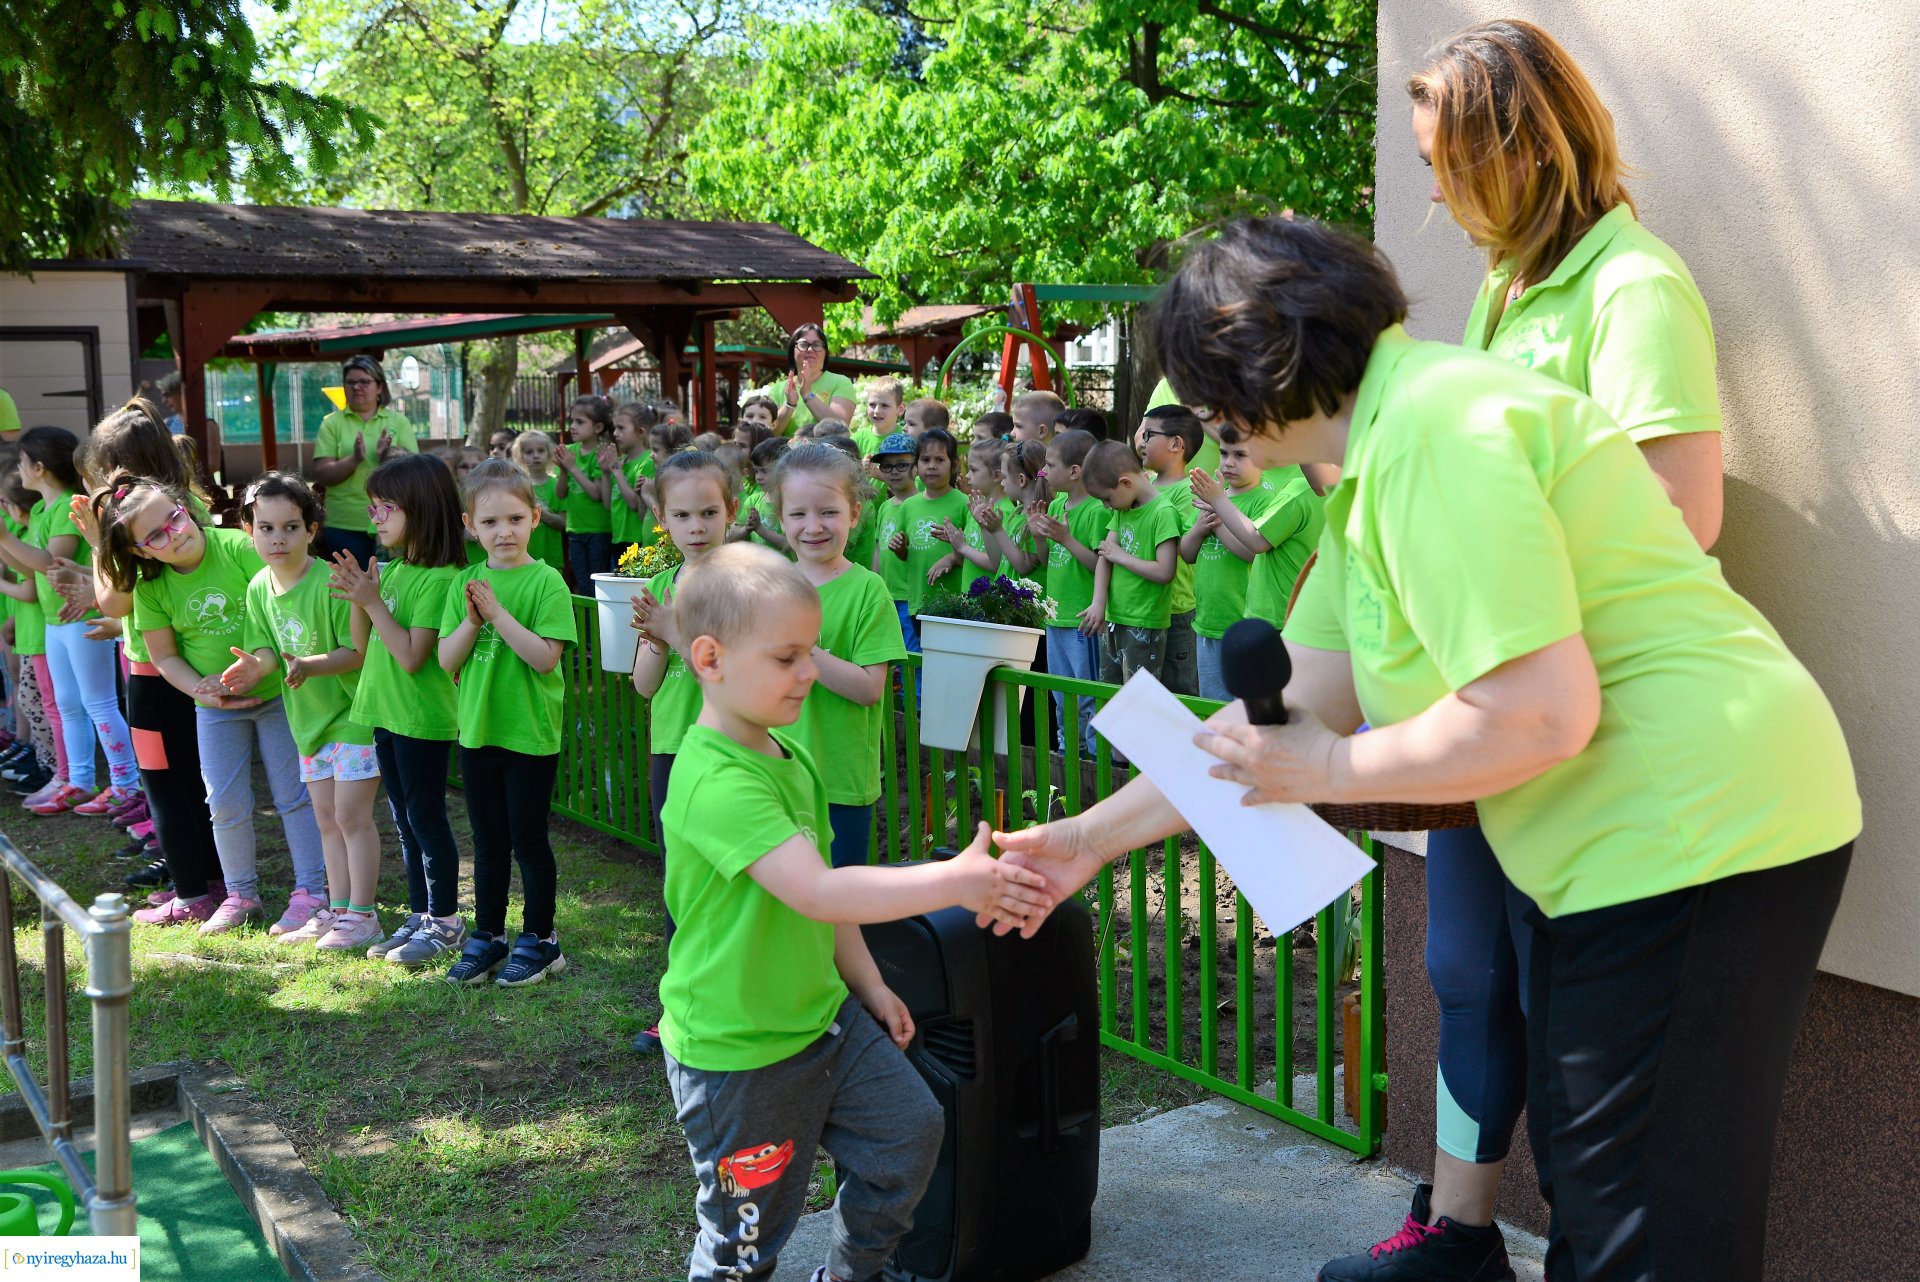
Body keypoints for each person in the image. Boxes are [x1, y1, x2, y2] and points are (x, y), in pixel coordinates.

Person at [999, 216, 1858, 1282]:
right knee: (1601, 1197)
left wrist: (1330, 771)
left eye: (1208, 386)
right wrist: (1087, 838)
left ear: (1270, 353)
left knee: (1645, 1226)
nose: (1198, 417)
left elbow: (1538, 711)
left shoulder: (1434, 434)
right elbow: (1276, 718)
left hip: (1697, 829)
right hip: (1628, 847)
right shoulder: (1380, 461)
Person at [1314, 22, 1738, 1282]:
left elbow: (1685, 512)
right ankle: (1457, 1231)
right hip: (1482, 720)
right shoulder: (1504, 294)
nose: (1435, 196)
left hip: (1574, 729)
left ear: (1520, 148)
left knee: (1555, 1002)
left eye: (1449, 164)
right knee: (1461, 968)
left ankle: (1563, 1244)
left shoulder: (1633, 285)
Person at [656, 541, 1046, 1282]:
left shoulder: (788, 757)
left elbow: (827, 895)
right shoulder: (713, 781)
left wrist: (868, 986)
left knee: (909, 1134)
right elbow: (818, 892)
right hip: (739, 1058)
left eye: (813, 651)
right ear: (709, 659)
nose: (809, 672)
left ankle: (850, 1274)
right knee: (744, 1246)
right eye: (787, 657)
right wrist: (954, 883)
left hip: (825, 1022)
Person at [102, 475, 329, 935]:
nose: (176, 533)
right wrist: (199, 691)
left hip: (279, 695)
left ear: (185, 507)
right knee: (223, 802)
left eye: (175, 517)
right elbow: (163, 655)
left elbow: (280, 615)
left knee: (295, 798)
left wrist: (262, 667)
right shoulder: (150, 587)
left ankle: (312, 893)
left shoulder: (241, 548)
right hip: (214, 709)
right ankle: (241, 894)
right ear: (141, 552)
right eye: (157, 536)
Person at [73, 401, 223, 918]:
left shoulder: (136, 525)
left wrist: (98, 543)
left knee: (163, 783)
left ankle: (192, 895)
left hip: (155, 676)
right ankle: (212, 878)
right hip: (197, 672)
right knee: (196, 784)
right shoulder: (183, 510)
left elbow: (115, 599)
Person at [222, 474, 381, 951]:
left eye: (290, 527)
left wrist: (305, 665)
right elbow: (267, 651)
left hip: (354, 713)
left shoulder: (332, 581)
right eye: (266, 527)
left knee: (353, 817)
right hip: (307, 723)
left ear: (312, 529)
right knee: (327, 819)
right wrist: (255, 668)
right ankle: (336, 910)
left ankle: (364, 915)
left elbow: (357, 651)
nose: (277, 538)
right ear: (249, 529)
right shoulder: (257, 587)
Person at [437, 460, 576, 987]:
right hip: (477, 731)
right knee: (488, 840)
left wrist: (496, 615)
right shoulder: (465, 586)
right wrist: (472, 621)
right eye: (491, 522)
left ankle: (541, 938)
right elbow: (448, 662)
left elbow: (544, 658)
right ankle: (488, 935)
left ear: (535, 519)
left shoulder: (547, 583)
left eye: (516, 519)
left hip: (529, 735)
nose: (505, 532)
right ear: (471, 525)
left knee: (528, 839)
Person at [331, 453, 469, 967]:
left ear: (421, 507)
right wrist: (357, 595)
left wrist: (372, 601)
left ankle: (446, 921)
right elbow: (362, 645)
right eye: (373, 508)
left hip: (422, 716)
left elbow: (412, 656)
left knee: (426, 819)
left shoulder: (441, 578)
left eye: (385, 506)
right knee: (405, 821)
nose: (376, 518)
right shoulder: (397, 569)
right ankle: (421, 913)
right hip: (387, 713)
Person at [630, 450, 740, 1053]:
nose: (696, 527)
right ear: (662, 520)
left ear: (731, 511)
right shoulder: (660, 583)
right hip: (671, 746)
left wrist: (674, 632)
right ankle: (680, 1004)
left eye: (707, 512)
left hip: (728, 750)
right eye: (682, 515)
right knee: (679, 880)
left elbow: (739, 681)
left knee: (728, 879)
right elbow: (645, 685)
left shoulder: (744, 584)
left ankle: (725, 1000)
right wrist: (656, 639)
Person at [776, 445, 906, 869]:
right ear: (781, 517)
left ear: (854, 514)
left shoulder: (869, 591)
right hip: (770, 778)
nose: (813, 526)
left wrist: (806, 651)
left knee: (835, 915)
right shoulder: (765, 588)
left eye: (828, 512)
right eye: (798, 514)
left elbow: (869, 689)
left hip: (839, 784)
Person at [0, 427, 140, 814]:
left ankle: (126, 783)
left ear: (40, 467)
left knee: (99, 703)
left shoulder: (65, 505)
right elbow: (29, 564)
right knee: (66, 704)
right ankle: (78, 780)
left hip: (81, 616)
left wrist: (6, 540)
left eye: (24, 462)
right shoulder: (43, 509)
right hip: (55, 620)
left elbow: (49, 563)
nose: (20, 470)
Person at [1026, 429, 1105, 754]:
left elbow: (1099, 564)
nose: (1043, 472)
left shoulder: (1097, 510)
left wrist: (1067, 539)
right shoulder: (1057, 503)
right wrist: (1040, 536)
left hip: (1081, 621)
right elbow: (1048, 561)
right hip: (1055, 619)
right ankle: (1066, 757)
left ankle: (1094, 763)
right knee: (1061, 697)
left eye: (1050, 464)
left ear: (1074, 471)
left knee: (1087, 696)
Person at [1182, 427, 1275, 702]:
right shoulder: (1213, 499)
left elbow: (1252, 554)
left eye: (1240, 455)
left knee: (1242, 704)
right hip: (1206, 622)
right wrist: (1199, 529)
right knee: (1212, 703)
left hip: (1241, 623)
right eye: (1223, 453)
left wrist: (1219, 522)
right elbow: (1186, 554)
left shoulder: (1263, 501)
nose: (1228, 462)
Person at [1081, 440, 1179, 687]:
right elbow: (1106, 556)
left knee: (1138, 702)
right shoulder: (1123, 509)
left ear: (1125, 483)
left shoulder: (1163, 512)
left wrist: (1121, 556)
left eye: (1106, 498)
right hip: (1115, 619)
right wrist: (1098, 602)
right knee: (1111, 697)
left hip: (1144, 623)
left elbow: (1165, 571)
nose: (1106, 506)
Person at [310, 356, 417, 567]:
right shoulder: (332, 424)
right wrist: (354, 460)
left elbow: (414, 472)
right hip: (344, 525)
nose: (357, 387)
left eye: (364, 381)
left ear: (379, 387)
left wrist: (386, 459)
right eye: (350, 382)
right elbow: (323, 474)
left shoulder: (398, 421)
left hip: (393, 522)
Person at [1136, 404, 1203, 696]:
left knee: (1178, 694)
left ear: (1176, 444)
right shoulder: (1144, 486)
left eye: (1149, 434)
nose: (1141, 441)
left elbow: (1170, 547)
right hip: (1140, 608)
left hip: (1175, 609)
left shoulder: (1187, 490)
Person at [894, 429, 966, 613]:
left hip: (954, 602)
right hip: (918, 601)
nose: (932, 466)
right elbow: (907, 554)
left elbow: (975, 551)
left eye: (940, 460)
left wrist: (952, 558)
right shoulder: (908, 506)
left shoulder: (965, 504)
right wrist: (900, 550)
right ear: (916, 465)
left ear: (954, 464)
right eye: (925, 460)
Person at [554, 395, 615, 585]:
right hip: (575, 529)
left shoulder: (602, 452)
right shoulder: (569, 451)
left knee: (596, 583)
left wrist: (572, 468)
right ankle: (586, 616)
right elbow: (560, 493)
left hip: (598, 530)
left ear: (597, 427)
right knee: (582, 582)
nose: (573, 426)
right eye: (572, 421)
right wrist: (564, 471)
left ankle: (595, 616)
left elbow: (596, 494)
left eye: (580, 422)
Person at [867, 433, 920, 653]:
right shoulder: (886, 506)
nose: (894, 472)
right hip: (888, 595)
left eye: (901, 465)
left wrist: (904, 550)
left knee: (913, 655)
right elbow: (879, 550)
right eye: (887, 467)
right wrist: (874, 586)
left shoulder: (921, 504)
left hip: (911, 597)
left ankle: (918, 690)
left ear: (916, 467)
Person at [771, 323, 859, 438]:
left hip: (827, 454)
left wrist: (807, 395)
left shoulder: (841, 382)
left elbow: (840, 429)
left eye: (817, 345)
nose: (810, 349)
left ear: (825, 352)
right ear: (792, 350)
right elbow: (770, 434)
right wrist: (790, 404)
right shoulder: (778, 389)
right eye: (803, 344)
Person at [945, 438, 1007, 588]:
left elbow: (996, 564)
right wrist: (956, 542)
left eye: (973, 470)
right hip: (969, 603)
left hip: (991, 604)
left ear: (997, 476)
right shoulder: (975, 508)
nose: (967, 476)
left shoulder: (1003, 512)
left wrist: (963, 547)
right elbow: (963, 561)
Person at [509, 430, 567, 576]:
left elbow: (563, 523)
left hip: (550, 557)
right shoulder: (515, 487)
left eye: (540, 450)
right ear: (520, 456)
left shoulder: (556, 485)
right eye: (529, 452)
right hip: (521, 559)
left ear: (549, 453)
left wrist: (536, 511)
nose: (535, 455)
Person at [609, 401, 659, 565]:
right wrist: (606, 472)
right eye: (615, 427)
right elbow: (608, 502)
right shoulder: (622, 461)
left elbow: (633, 503)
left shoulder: (647, 461)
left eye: (621, 428)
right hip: (618, 536)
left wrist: (617, 473)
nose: (615, 433)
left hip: (635, 538)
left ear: (641, 431)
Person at [731, 438, 791, 553]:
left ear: (784, 470)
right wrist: (746, 529)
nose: (758, 477)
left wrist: (759, 529)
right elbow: (732, 537)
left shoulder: (791, 504)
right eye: (756, 471)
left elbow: (790, 545)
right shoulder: (753, 501)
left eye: (764, 471)